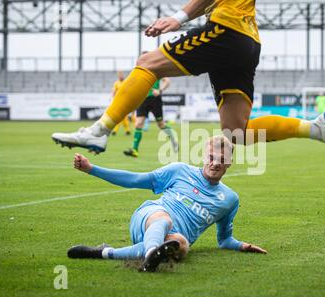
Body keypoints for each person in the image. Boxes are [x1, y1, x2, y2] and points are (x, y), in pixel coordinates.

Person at [52, 0, 325, 162]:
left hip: (226, 30)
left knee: (147, 63)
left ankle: (99, 131)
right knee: (237, 132)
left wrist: (178, 18)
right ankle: (315, 129)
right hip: (247, 42)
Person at [67, 136, 267, 272]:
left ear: (230, 162)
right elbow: (135, 180)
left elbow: (224, 240)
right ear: (204, 156)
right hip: (150, 217)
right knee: (164, 220)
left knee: (181, 246)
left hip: (172, 239)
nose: (215, 163)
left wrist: (242, 246)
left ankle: (103, 252)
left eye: (222, 159)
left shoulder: (230, 199)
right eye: (211, 157)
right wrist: (92, 169)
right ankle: (150, 253)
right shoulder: (180, 170)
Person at [123, 54, 178, 158]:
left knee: (161, 124)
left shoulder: (156, 69)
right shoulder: (138, 71)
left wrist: (160, 90)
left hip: (154, 99)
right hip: (142, 99)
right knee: (138, 124)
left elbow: (167, 81)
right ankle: (134, 150)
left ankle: (173, 140)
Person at [110, 71, 134, 136]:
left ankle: (117, 131)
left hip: (125, 101)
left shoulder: (126, 82)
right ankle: (126, 130)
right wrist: (113, 99)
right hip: (118, 101)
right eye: (119, 75)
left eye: (121, 74)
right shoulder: (116, 83)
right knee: (120, 117)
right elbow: (114, 92)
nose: (120, 76)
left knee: (123, 117)